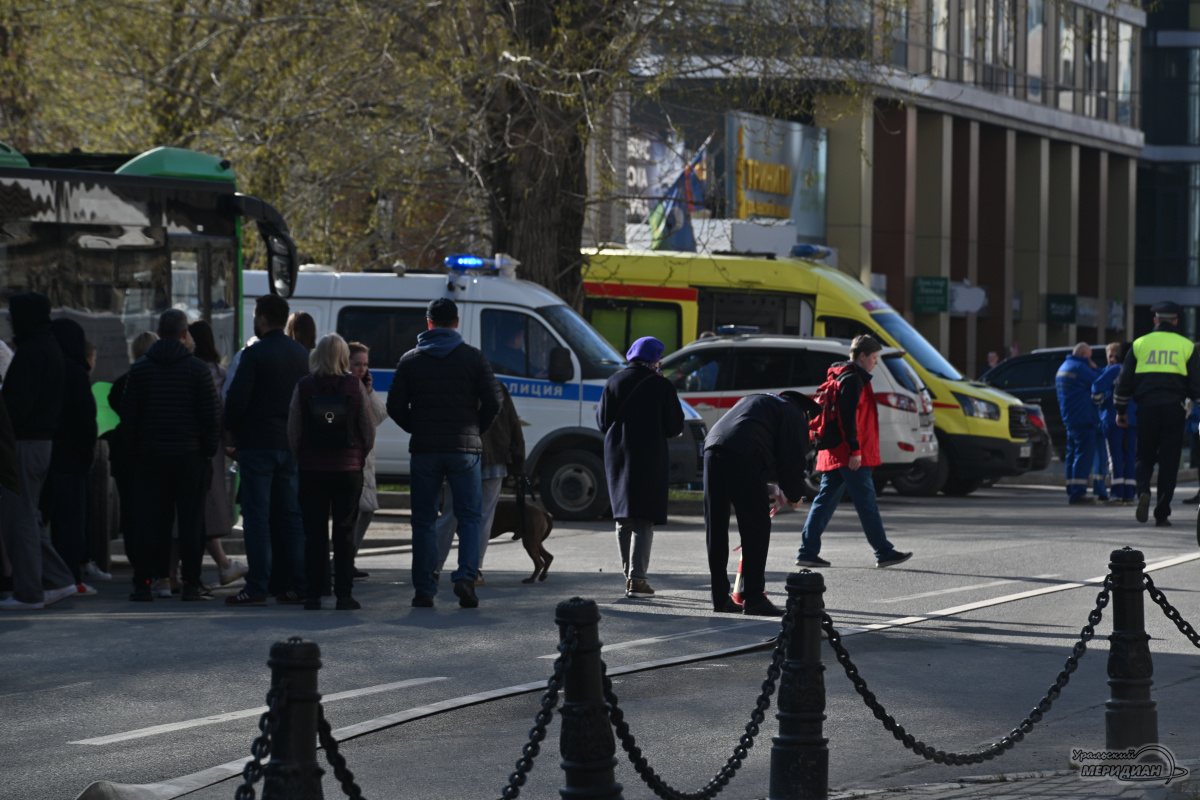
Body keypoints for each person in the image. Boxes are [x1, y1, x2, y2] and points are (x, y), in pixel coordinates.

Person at [387, 297, 503, 609]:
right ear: (456, 323)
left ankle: (424, 588)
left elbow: (394, 406)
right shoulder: (473, 358)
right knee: (469, 517)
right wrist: (474, 429)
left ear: (428, 323)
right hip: (464, 449)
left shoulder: (410, 360)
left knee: (424, 520)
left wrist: (417, 428)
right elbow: (494, 400)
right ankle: (466, 577)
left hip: (425, 450)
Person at [119, 309, 220, 601]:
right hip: (190, 457)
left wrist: (137, 452)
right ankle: (191, 583)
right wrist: (206, 453)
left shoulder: (140, 370)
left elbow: (128, 419)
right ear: (185, 335)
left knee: (149, 521)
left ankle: (144, 583)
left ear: (159, 333)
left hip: (150, 457)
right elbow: (210, 418)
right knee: (191, 522)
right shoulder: (197, 369)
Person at [795, 335, 912, 570]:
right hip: (849, 453)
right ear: (862, 356)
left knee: (824, 502)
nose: (875, 363)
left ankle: (807, 552)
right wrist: (855, 450)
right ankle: (883, 551)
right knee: (866, 502)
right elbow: (848, 419)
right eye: (874, 358)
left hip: (835, 452)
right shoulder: (853, 380)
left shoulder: (840, 377)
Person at [223, 294, 311, 606]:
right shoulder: (301, 354)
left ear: (261, 319)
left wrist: (228, 432)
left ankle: (257, 585)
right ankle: (299, 584)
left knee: (257, 518)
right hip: (290, 445)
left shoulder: (254, 353)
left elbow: (236, 401)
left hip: (258, 444)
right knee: (291, 517)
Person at [0, 293, 78, 611]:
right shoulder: (49, 347)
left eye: (12, 315)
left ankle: (29, 592)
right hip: (41, 443)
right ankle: (59, 579)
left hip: (23, 443)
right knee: (30, 516)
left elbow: (15, 407)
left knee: (21, 517)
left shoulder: (31, 352)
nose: (8, 320)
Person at [704, 391, 813, 616]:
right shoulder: (793, 413)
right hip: (744, 455)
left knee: (716, 525)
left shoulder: (759, 401)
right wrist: (795, 495)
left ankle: (719, 597)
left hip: (712, 448)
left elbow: (754, 437)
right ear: (806, 413)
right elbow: (792, 460)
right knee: (756, 527)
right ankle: (753, 598)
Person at [288, 333, 375, 611]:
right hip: (347, 471)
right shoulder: (354, 385)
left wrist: (301, 456)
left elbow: (294, 430)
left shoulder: (304, 386)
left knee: (314, 534)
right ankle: (344, 595)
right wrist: (358, 457)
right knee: (344, 532)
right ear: (343, 357)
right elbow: (367, 427)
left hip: (312, 470)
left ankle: (313, 595)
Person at [597, 336, 684, 599]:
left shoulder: (614, 381)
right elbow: (674, 427)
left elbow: (602, 422)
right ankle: (638, 580)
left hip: (618, 453)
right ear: (655, 358)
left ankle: (629, 578)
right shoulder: (661, 385)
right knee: (644, 518)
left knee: (623, 516)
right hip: (649, 455)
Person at [1115, 301, 1200, 526]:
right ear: (1176, 321)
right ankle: (1162, 513)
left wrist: (1120, 410)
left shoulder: (1139, 344)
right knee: (1169, 461)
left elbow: (1123, 381)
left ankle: (1143, 490)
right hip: (1175, 409)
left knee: (1144, 455)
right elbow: (1196, 385)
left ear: (1155, 320)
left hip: (1147, 408)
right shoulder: (1186, 346)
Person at [435, 382, 525, 585]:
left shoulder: (456, 386)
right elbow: (512, 424)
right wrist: (518, 464)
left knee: (450, 514)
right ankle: (473, 570)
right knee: (483, 517)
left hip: (461, 456)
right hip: (494, 456)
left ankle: (434, 566)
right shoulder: (496, 386)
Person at [188, 320, 249, 586]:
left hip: (189, 446)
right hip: (212, 448)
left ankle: (174, 575)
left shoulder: (187, 370)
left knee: (193, 510)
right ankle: (223, 565)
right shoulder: (220, 373)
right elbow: (224, 411)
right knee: (205, 509)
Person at [46, 318, 98, 594]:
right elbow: (86, 420)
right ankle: (70, 577)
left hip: (47, 454)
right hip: (71, 459)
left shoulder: (48, 369)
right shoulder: (76, 373)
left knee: (48, 520)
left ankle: (52, 574)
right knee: (71, 521)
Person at [107, 331, 159, 574]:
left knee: (130, 513)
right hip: (152, 455)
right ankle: (156, 564)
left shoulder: (122, 383)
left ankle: (138, 562)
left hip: (125, 456)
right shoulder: (158, 380)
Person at [348, 341, 388, 579]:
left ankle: (348, 558)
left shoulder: (364, 387)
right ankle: (344, 560)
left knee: (367, 510)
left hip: (366, 460)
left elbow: (380, 416)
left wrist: (369, 391)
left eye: (365, 365)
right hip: (353, 459)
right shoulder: (344, 385)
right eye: (356, 364)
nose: (361, 369)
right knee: (355, 511)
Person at [1055, 342, 1102, 505]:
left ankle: (1071, 488)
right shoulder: (1080, 368)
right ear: (1084, 355)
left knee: (1072, 455)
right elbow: (1099, 381)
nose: (1091, 360)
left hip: (1070, 418)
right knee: (1083, 456)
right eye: (1089, 357)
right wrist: (1094, 368)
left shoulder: (1064, 367)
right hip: (1084, 418)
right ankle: (1078, 493)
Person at [1094, 342, 1136, 506]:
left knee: (1115, 456)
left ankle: (1118, 493)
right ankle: (1129, 494)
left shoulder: (1114, 370)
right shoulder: (1137, 371)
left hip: (1113, 418)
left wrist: (1099, 402)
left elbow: (1096, 387)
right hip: (1133, 419)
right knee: (1131, 456)